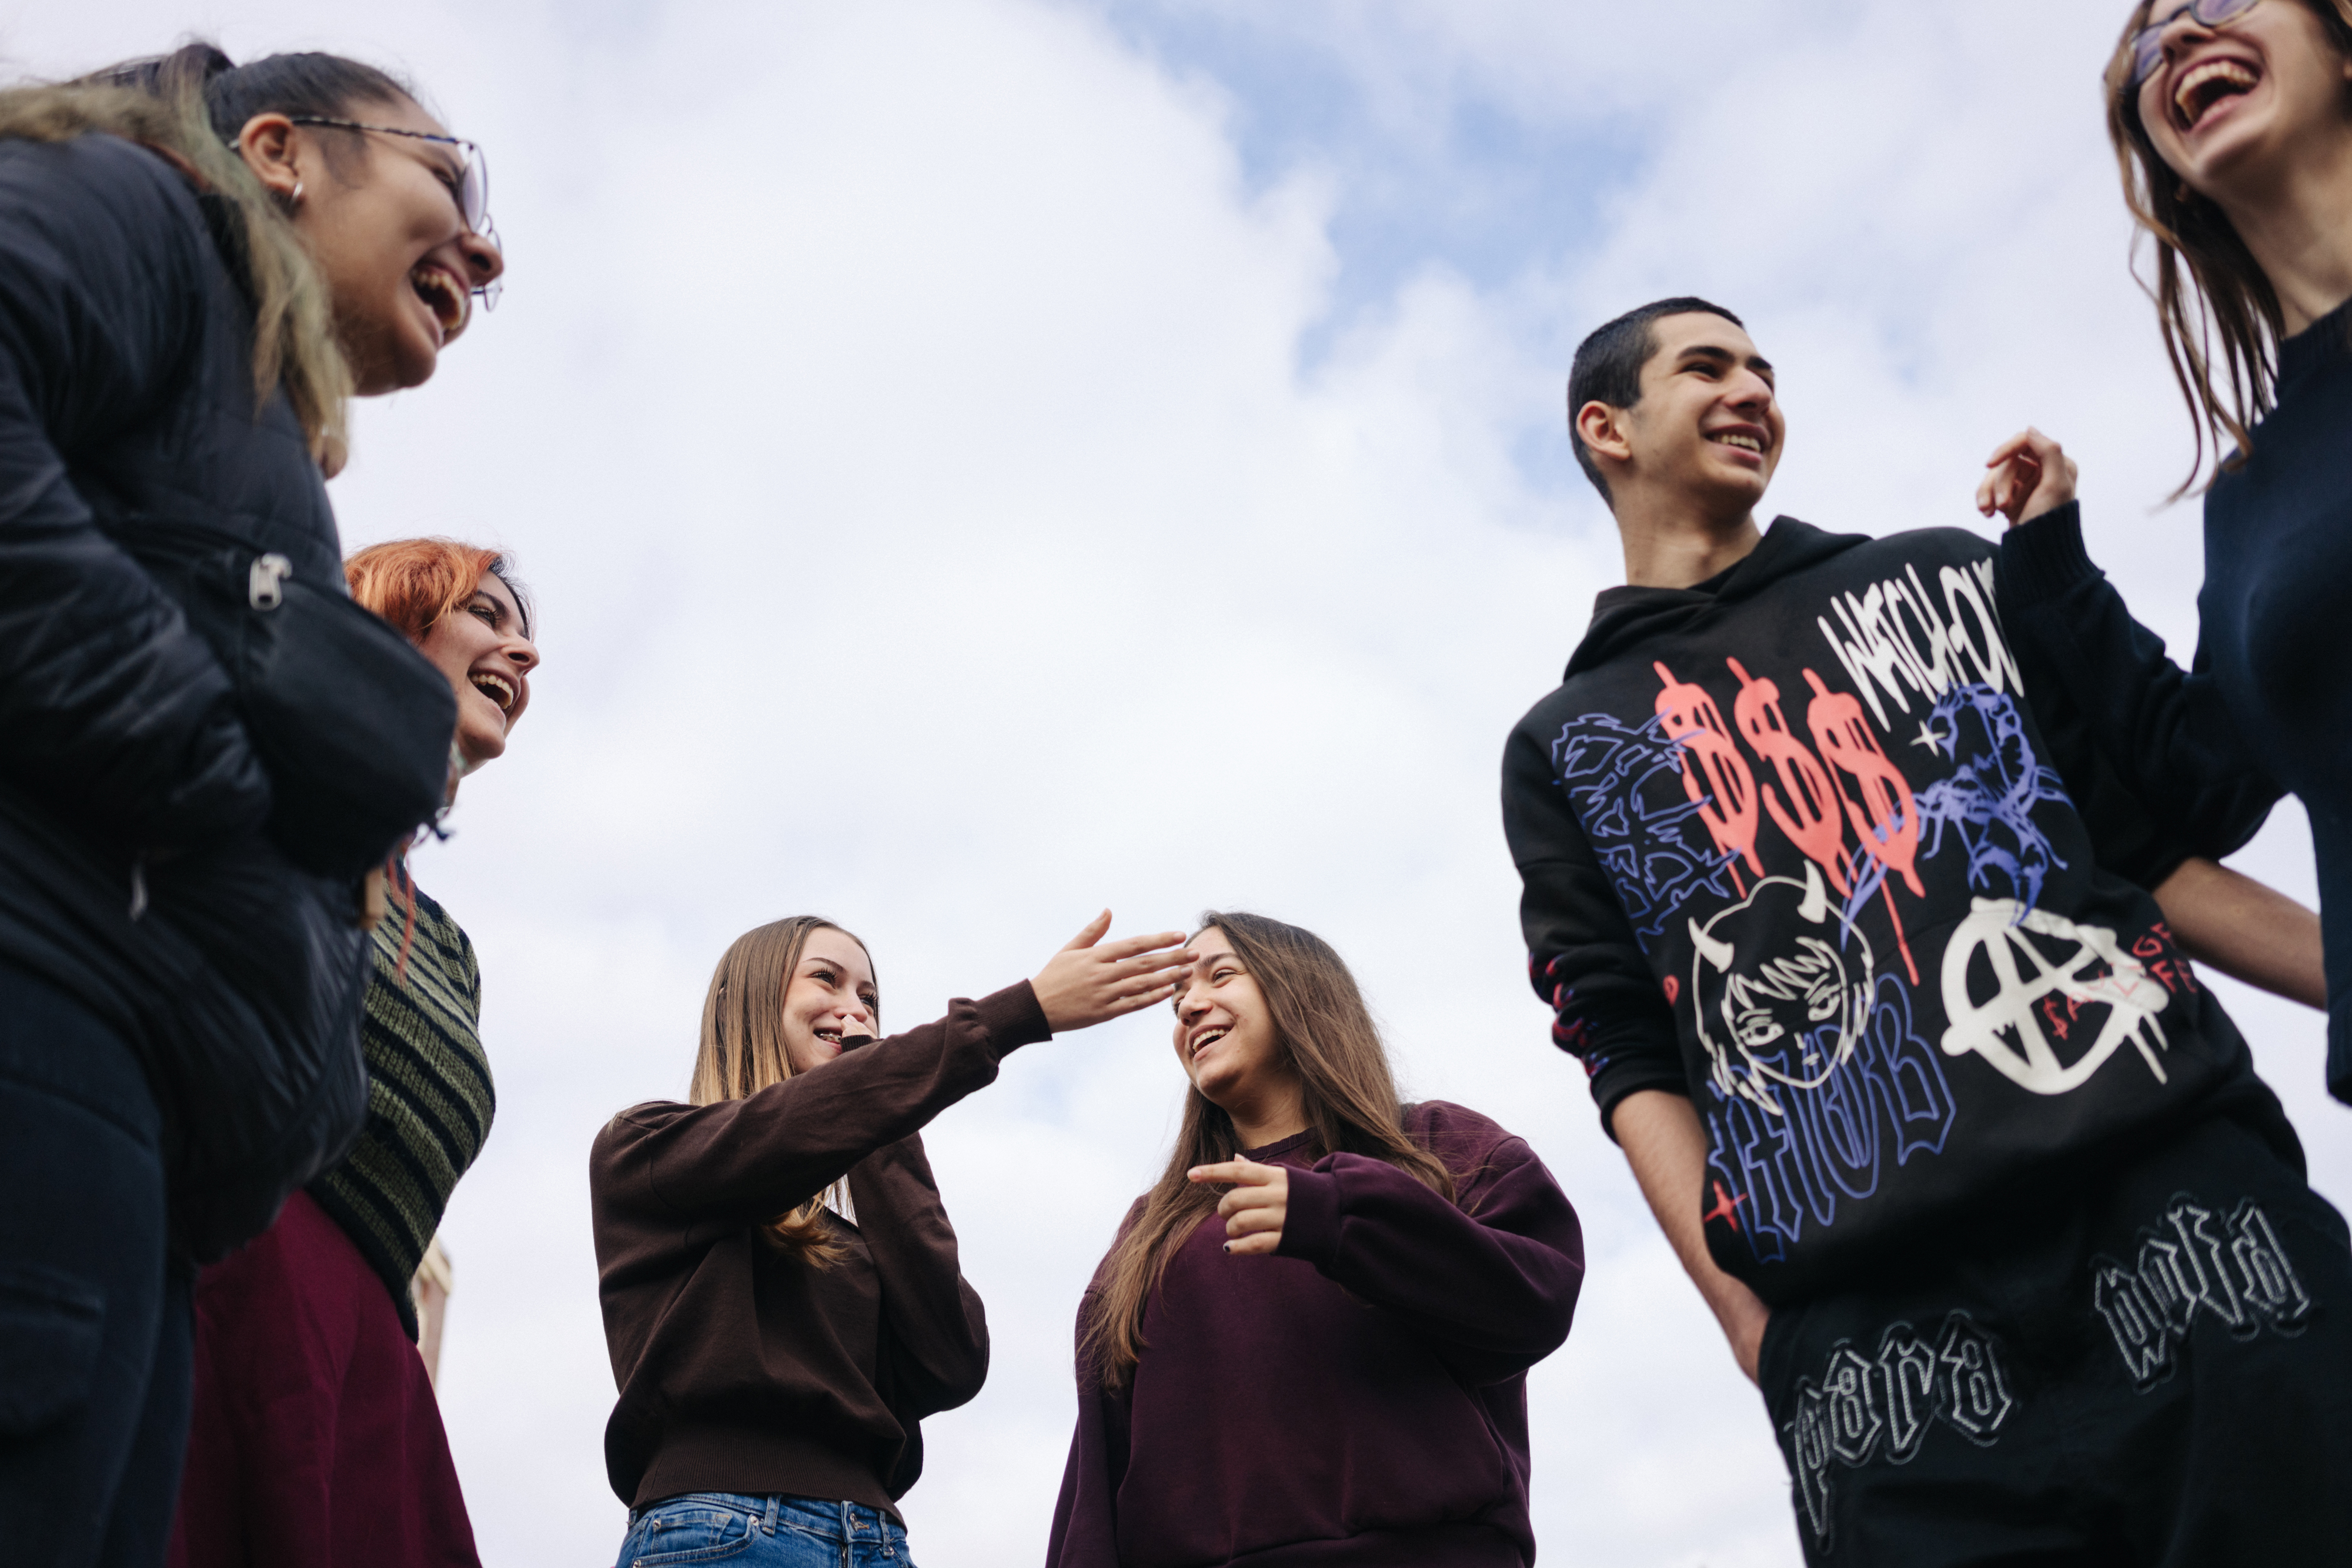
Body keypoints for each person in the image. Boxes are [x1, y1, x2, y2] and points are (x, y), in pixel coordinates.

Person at [1502, 297, 2352, 1564]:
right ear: (1603, 427)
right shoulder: (1561, 744)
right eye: (1707, 367)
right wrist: (1756, 1330)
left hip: (2181, 1218)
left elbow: (2143, 857)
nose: (1752, 391)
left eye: (1764, 371)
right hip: (1877, 1351)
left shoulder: (1943, 574)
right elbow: (1627, 1057)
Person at [0, 43, 502, 1566]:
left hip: (138, 1136)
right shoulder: (145, 214)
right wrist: (223, 776)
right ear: (279, 149)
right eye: (446, 176)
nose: (485, 246)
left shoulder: (236, 395)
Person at [1984, 0, 2352, 1101]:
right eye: (2149, 46)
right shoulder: (2255, 493)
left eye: (2224, 1)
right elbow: (2196, 786)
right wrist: (2050, 557)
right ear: (2175, 168)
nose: (2181, 37)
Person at [592, 912, 1192, 1568]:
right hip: (719, 1529)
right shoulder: (647, 1150)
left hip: (877, 1539)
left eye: (870, 999)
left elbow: (954, 1360)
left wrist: (883, 1125)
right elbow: (780, 1135)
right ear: (748, 998)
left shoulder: (854, 1247)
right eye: (826, 979)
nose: (855, 1010)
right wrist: (1020, 1012)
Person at [172, 540, 537, 1567]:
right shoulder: (265, 792)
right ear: (396, 616)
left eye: (529, 631)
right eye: (489, 614)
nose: (526, 652)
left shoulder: (454, 949)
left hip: (367, 1362)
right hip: (225, 1297)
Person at [1046, 911, 1585, 1568]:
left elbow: (1537, 1301)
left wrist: (1338, 1217)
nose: (1189, 1005)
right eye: (1177, 998)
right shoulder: (1151, 1231)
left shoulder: (1442, 1148)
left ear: (1298, 990)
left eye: (1220, 974)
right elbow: (1098, 1467)